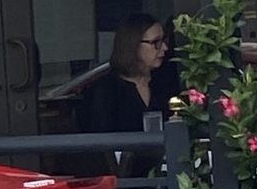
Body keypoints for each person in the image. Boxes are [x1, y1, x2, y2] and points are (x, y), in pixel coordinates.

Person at [71, 14, 180, 169]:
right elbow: (100, 148)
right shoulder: (104, 90)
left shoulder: (166, 83)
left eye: (164, 40)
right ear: (133, 45)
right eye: (156, 42)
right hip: (124, 179)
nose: (164, 48)